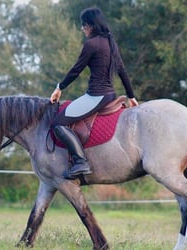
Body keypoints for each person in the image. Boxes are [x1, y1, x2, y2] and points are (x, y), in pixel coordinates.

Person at [50, 7, 138, 179]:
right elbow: (122, 71)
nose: (82, 29)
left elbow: (76, 70)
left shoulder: (92, 44)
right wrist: (131, 96)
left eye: (83, 25)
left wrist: (59, 87)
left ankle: (80, 161)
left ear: (91, 25)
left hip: (96, 96)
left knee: (58, 123)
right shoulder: (110, 43)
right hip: (109, 95)